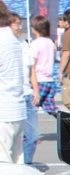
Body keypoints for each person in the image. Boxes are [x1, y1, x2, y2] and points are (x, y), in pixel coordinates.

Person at [10, 14, 37, 165]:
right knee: (12, 137)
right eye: (15, 23)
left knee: (32, 136)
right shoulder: (5, 45)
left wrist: (36, 90)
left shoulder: (24, 44)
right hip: (12, 96)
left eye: (19, 23)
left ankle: (27, 165)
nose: (19, 26)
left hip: (27, 94)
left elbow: (32, 70)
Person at [0, 0, 25, 163]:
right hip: (17, 107)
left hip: (4, 110)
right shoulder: (12, 38)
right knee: (17, 162)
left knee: (4, 164)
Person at [30, 16, 57, 116]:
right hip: (49, 80)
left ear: (35, 29)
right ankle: (66, 123)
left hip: (38, 80)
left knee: (31, 107)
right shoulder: (51, 43)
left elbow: (32, 65)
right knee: (51, 109)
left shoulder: (35, 44)